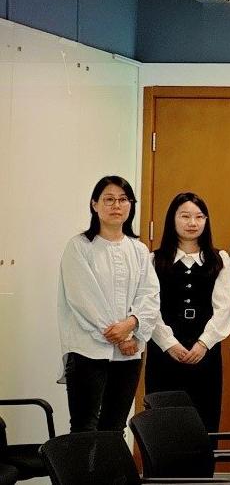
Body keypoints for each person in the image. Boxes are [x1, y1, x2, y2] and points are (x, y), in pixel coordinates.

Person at [57, 176, 159, 432]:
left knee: (114, 426)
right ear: (94, 204)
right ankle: (84, 464)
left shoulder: (138, 250)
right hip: (88, 349)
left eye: (123, 199)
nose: (116, 205)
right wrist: (119, 335)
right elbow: (83, 298)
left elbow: (150, 295)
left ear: (131, 205)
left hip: (130, 353)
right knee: (84, 426)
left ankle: (109, 463)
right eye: (109, 199)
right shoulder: (79, 247)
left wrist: (131, 327)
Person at [147, 193, 230, 431]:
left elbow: (224, 308)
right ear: (172, 219)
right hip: (164, 351)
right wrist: (169, 344)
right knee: (163, 423)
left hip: (204, 352)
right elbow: (149, 308)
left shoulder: (219, 259)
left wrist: (204, 344)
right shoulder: (154, 260)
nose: (192, 223)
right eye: (185, 216)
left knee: (203, 420)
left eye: (199, 217)